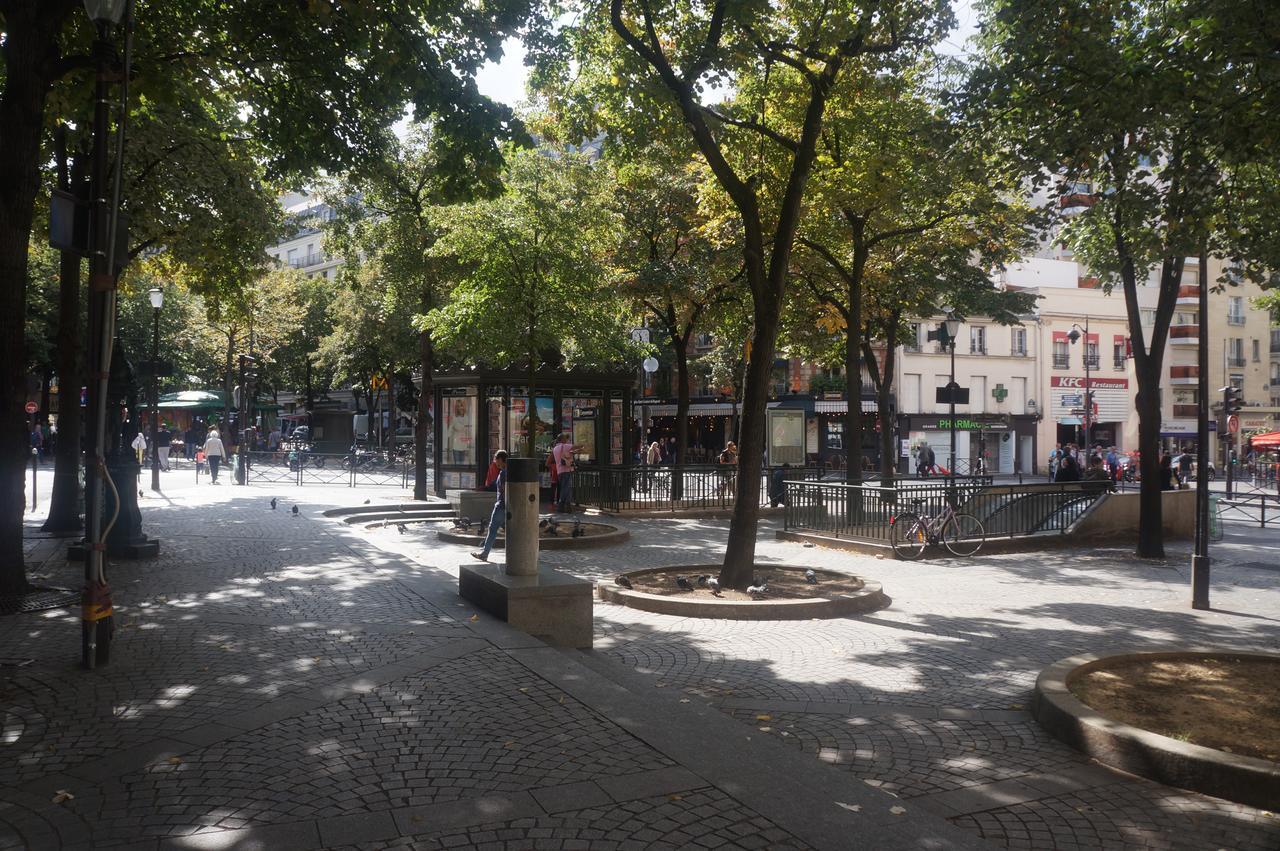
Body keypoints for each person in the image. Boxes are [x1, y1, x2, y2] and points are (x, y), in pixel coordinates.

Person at [471, 450, 508, 562]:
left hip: (501, 506)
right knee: (509, 530)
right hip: (508, 507)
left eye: (496, 459)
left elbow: (503, 490)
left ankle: (484, 554)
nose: (495, 462)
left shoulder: (503, 473)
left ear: (501, 459)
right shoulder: (509, 471)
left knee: (492, 529)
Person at [552, 433, 580, 513]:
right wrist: (583, 444)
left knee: (566, 488)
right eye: (565, 438)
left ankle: (567, 506)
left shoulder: (555, 448)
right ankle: (561, 505)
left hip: (559, 471)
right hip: (566, 470)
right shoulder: (565, 446)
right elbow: (576, 446)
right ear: (562, 439)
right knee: (566, 488)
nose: (567, 440)